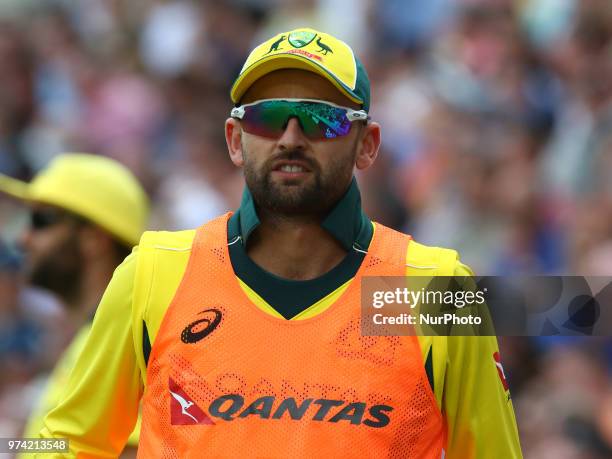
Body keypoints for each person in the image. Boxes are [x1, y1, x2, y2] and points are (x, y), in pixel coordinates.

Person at [37, 29, 522, 458]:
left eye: (320, 118)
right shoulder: (155, 272)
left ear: (367, 144)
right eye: (267, 118)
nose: (291, 137)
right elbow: (67, 442)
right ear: (234, 138)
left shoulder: (428, 290)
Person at [0, 154, 149, 457]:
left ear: (94, 239)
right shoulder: (91, 341)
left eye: (42, 220)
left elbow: (128, 452)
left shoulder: (126, 348)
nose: (24, 238)